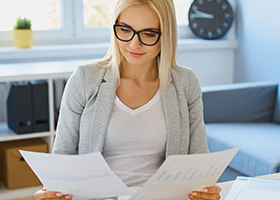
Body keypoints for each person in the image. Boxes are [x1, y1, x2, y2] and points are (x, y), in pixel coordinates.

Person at [34, 0, 221, 199]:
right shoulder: (84, 79)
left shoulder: (185, 82)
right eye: (125, 30)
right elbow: (63, 159)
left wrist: (205, 191)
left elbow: (199, 160)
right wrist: (53, 192)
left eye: (149, 34)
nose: (134, 44)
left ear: (166, 35)